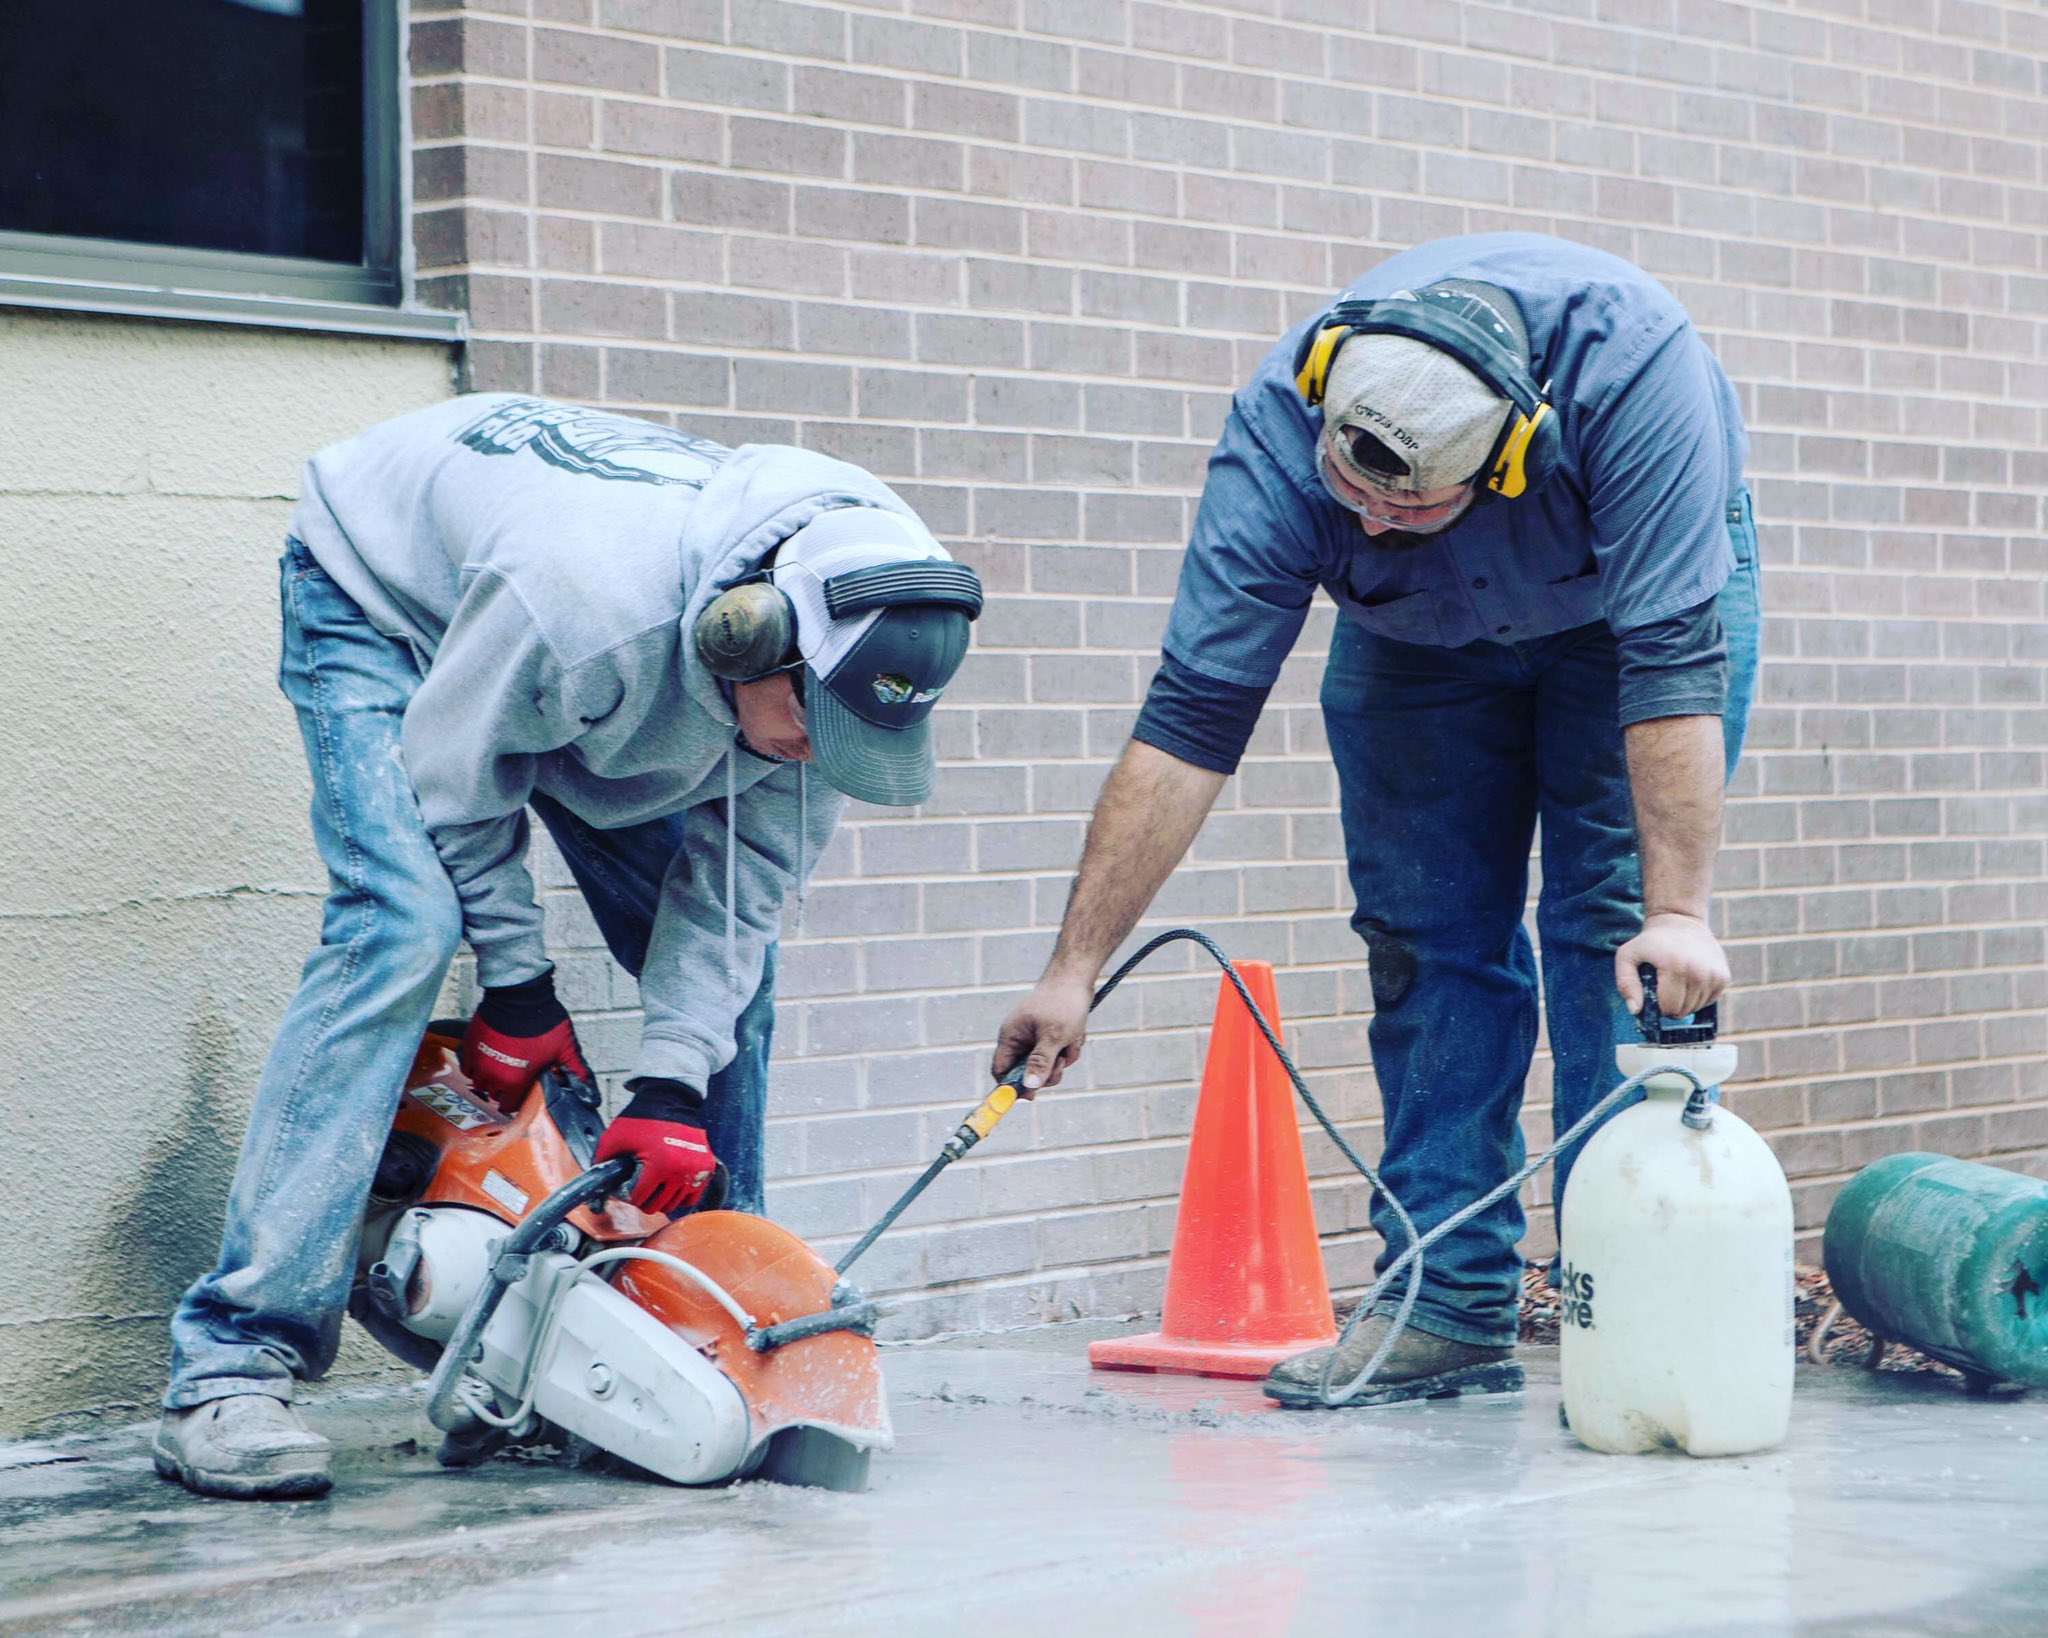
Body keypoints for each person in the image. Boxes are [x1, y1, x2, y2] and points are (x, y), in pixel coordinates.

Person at [155, 395, 981, 1498]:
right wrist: (519, 988)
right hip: (390, 605)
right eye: (810, 721)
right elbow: (458, 783)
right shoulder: (585, 607)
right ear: (749, 634)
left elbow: (734, 903)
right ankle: (230, 1363)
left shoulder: (861, 633)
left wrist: (670, 1092)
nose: (816, 753)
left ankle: (696, 1332)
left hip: (610, 681)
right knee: (402, 923)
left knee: (728, 995)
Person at [992, 233, 1761, 1408]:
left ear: (1508, 457)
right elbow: (1191, 717)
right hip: (1416, 641)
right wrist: (1071, 971)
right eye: (1347, 495)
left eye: (1406, 505)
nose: (1368, 523)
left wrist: (1679, 914)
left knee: (1613, 938)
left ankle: (1627, 1305)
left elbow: (1668, 665)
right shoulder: (1277, 438)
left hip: (1625, 623)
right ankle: (1443, 1307)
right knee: (1422, 935)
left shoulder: (1633, 376)